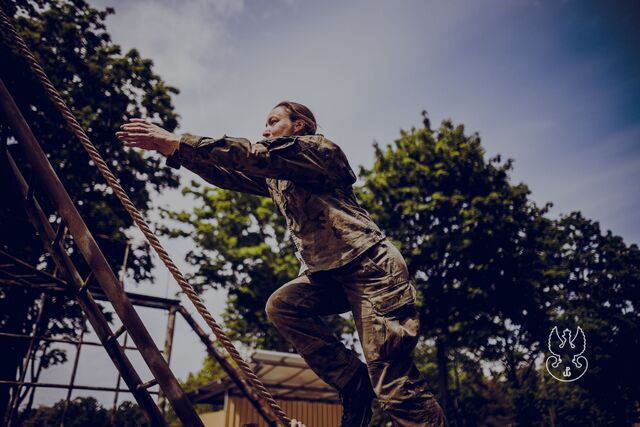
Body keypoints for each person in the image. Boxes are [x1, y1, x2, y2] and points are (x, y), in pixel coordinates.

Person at [116, 101, 446, 427]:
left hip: (371, 270)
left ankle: (389, 396)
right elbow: (230, 173)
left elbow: (251, 155)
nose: (265, 129)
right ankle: (352, 382)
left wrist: (181, 140)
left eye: (274, 121)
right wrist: (175, 153)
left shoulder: (317, 150)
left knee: (393, 383)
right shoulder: (278, 177)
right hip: (330, 274)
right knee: (283, 306)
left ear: (299, 125)